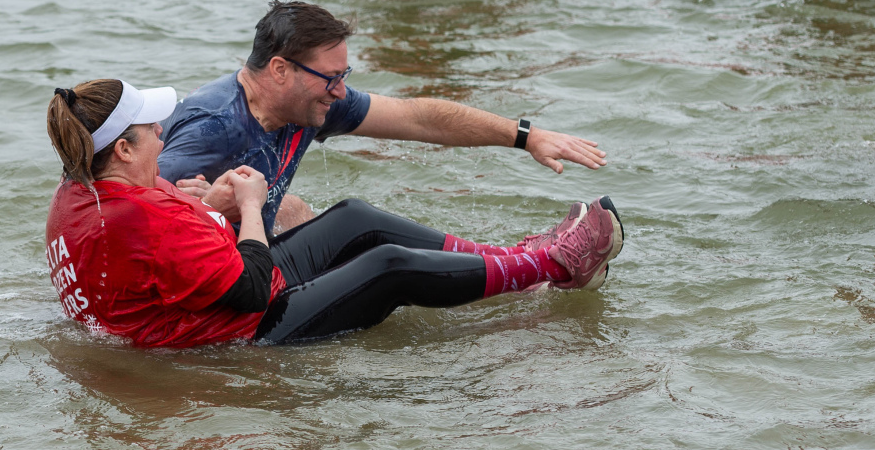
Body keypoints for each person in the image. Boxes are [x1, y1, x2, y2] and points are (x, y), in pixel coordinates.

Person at [44, 79, 625, 348]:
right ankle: (555, 266)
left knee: (353, 217)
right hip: (241, 327)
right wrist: (249, 208)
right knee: (388, 266)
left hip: (209, 295)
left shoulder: (81, 189)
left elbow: (151, 249)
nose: (161, 133)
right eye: (150, 128)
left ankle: (516, 261)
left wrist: (207, 204)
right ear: (124, 150)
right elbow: (251, 290)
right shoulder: (140, 213)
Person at [158, 0, 607, 234]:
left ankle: (513, 270)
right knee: (358, 226)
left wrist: (526, 136)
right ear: (280, 70)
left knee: (295, 212)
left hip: (245, 251)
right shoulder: (214, 128)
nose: (340, 91)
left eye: (344, 76)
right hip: (217, 300)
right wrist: (199, 208)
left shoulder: (304, 102)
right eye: (330, 78)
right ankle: (525, 271)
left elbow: (419, 119)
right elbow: (128, 213)